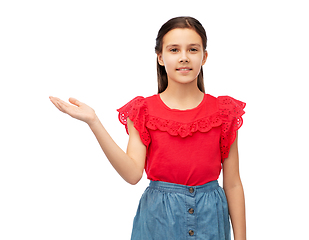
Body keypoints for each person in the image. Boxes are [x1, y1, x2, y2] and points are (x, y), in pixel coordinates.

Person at [50, 16, 246, 240]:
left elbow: (232, 184)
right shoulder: (143, 111)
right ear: (161, 58)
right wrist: (94, 121)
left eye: (193, 49)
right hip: (157, 222)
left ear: (204, 57)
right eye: (174, 50)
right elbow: (133, 174)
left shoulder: (224, 111)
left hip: (210, 221)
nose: (184, 57)